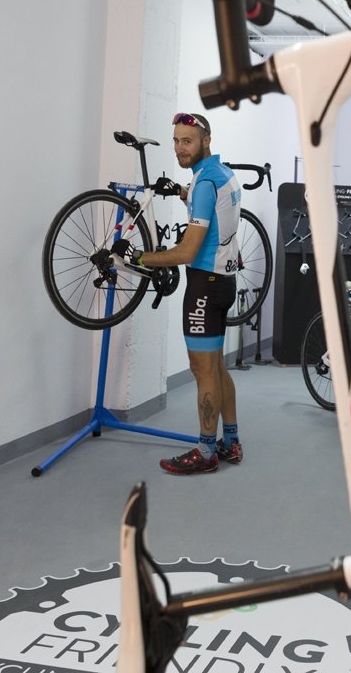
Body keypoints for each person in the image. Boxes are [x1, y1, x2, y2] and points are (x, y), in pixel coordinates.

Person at [120, 112, 244, 474]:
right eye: (175, 140)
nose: (179, 148)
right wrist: (178, 190)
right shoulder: (222, 175)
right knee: (217, 366)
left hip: (203, 285)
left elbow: (186, 253)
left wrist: (140, 256)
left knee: (202, 369)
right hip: (224, 282)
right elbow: (204, 199)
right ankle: (231, 441)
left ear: (206, 140)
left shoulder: (205, 183)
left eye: (186, 141)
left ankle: (206, 453)